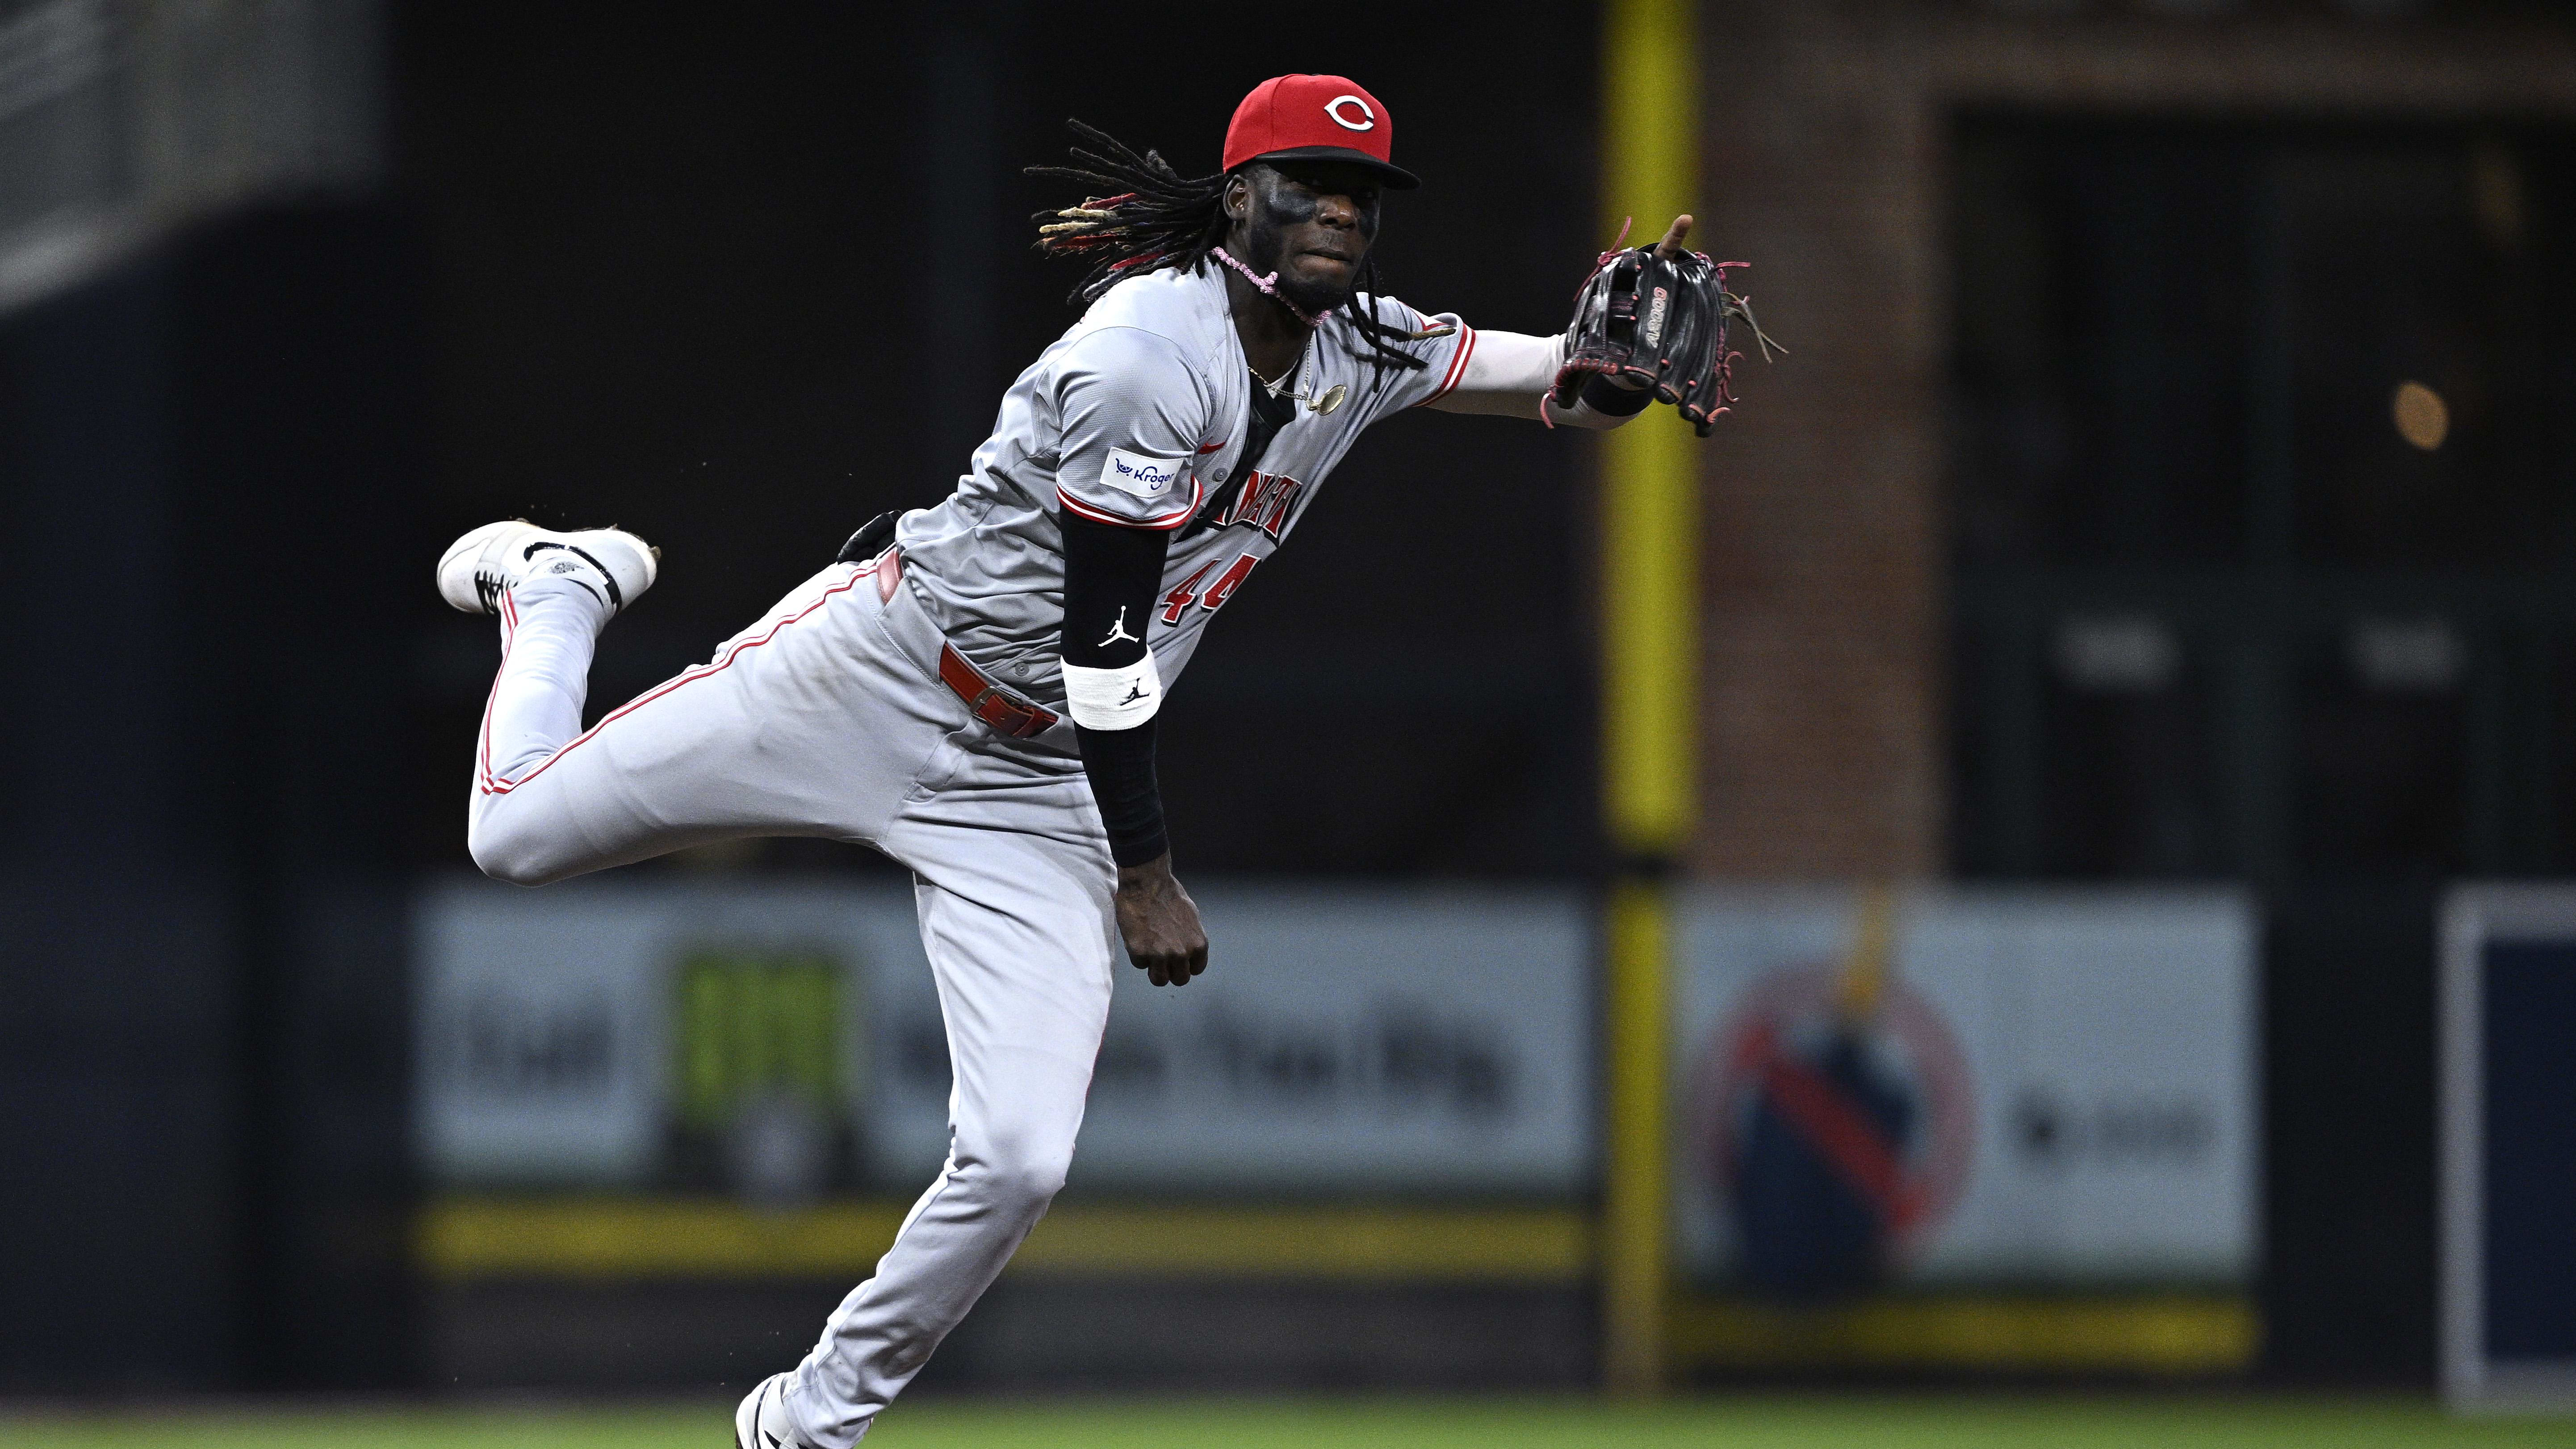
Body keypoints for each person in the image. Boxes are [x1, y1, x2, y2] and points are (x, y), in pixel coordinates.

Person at [436, 74, 1692, 1449]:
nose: (1339, 209)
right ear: (1236, 203)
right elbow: (1107, 642)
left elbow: (1546, 381)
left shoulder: (1361, 350)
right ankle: (556, 591)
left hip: (1033, 785)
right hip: (885, 675)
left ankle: (806, 1422)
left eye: (1363, 193)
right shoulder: (1150, 352)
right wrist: (1144, 873)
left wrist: (1605, 376)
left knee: (1023, 1154)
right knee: (514, 835)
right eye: (1308, 184)